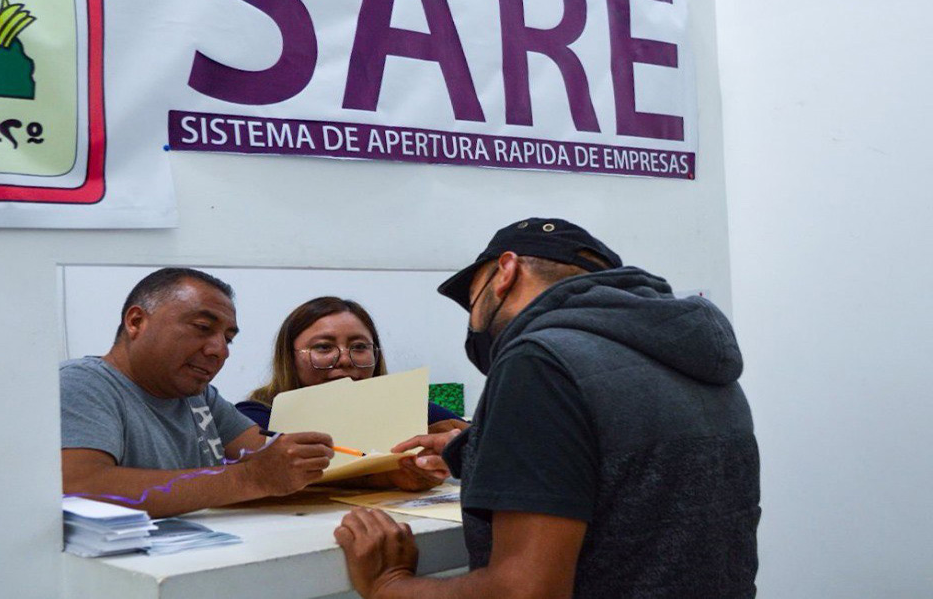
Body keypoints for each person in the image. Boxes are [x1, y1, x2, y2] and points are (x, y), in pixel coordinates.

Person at [334, 218, 760, 598]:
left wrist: (389, 584)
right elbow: (637, 473)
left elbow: (525, 591)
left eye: (473, 299)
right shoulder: (696, 357)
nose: (473, 323)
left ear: (505, 272)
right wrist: (479, 447)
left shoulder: (539, 359)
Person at [60, 267, 336, 518]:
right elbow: (80, 487)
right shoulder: (82, 383)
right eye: (203, 328)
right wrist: (248, 479)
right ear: (136, 322)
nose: (220, 350)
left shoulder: (198, 396)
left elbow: (269, 458)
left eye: (228, 339)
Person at [236, 296, 464, 432]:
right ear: (289, 357)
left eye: (359, 347)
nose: (345, 359)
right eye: (323, 347)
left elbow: (480, 441)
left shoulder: (408, 409)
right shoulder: (258, 416)